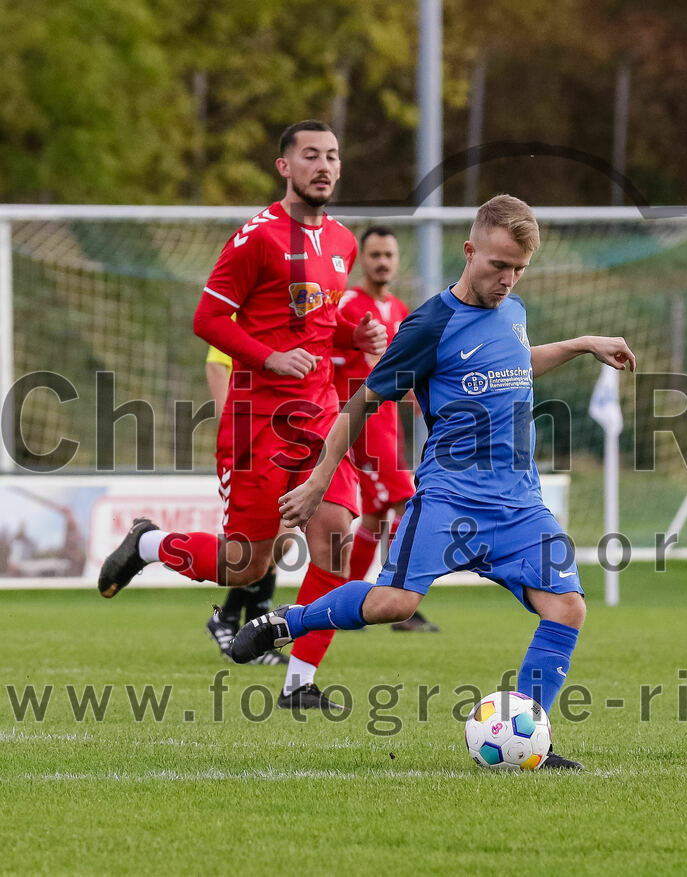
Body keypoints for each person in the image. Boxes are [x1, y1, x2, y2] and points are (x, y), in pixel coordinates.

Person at [230, 195, 637, 769]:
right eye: (498, 265)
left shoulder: (514, 311)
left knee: (567, 608)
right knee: (395, 603)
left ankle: (529, 744)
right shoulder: (429, 325)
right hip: (451, 497)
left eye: (519, 269)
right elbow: (362, 402)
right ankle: (283, 623)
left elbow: (516, 363)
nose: (507, 279)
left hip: (520, 504)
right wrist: (321, 480)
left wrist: (579, 345)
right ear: (470, 251)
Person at [98, 120, 387, 710]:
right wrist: (269, 356)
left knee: (336, 549)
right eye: (310, 156)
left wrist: (357, 336)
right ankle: (148, 544)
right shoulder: (254, 239)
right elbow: (207, 321)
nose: (324, 166)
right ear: (284, 166)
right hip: (256, 423)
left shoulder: (342, 242)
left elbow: (321, 329)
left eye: (332, 156)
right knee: (243, 563)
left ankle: (298, 686)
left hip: (321, 418)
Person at [335, 226, 439, 633]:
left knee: (377, 515)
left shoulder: (397, 308)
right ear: (362, 259)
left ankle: (350, 601)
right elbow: (331, 356)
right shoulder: (347, 304)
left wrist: (414, 394)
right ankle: (397, 602)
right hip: (359, 419)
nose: (382, 262)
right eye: (375, 254)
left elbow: (403, 363)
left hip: (388, 420)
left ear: (396, 261)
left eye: (388, 256)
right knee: (405, 500)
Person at [203, 343, 286, 664]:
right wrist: (235, 428)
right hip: (249, 442)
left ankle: (232, 621)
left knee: (283, 539)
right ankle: (247, 634)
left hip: (281, 436)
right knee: (253, 548)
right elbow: (215, 364)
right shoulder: (244, 311)